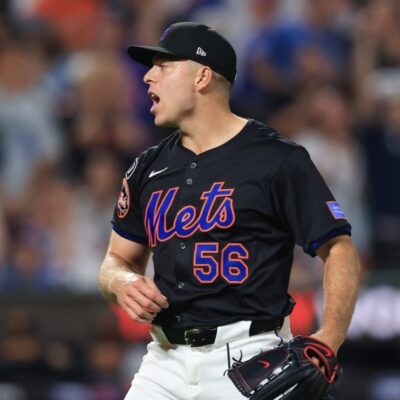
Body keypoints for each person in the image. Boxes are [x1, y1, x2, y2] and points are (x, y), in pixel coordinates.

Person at [98, 22, 361, 399]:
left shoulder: (276, 159)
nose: (148, 77)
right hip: (164, 360)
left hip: (250, 357)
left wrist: (329, 338)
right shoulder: (146, 168)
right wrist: (121, 282)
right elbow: (116, 260)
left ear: (202, 76)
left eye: (163, 66)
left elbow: (339, 249)